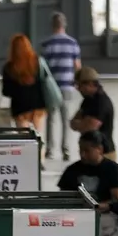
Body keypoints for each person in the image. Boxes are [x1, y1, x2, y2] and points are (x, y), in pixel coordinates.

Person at [36, 12, 81, 160]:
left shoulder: (47, 44)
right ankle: (66, 150)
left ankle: (49, 150)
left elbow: (42, 67)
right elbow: (77, 66)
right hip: (67, 86)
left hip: (51, 88)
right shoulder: (73, 43)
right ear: (64, 25)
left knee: (51, 119)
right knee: (65, 119)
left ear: (52, 25)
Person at [0, 32, 51, 131]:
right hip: (38, 107)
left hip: (20, 108)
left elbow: (6, 91)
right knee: (38, 139)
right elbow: (44, 80)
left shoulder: (9, 67)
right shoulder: (37, 62)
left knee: (25, 141)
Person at [56, 132, 118, 203]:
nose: (82, 154)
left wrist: (99, 207)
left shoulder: (114, 170)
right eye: (80, 150)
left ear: (100, 149)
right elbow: (63, 197)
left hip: (106, 213)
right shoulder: (72, 170)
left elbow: (117, 202)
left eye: (87, 151)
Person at [70, 67, 115, 157]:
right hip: (89, 153)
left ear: (90, 84)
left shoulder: (101, 102)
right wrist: (83, 123)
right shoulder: (87, 100)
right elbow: (72, 123)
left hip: (103, 154)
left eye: (79, 86)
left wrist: (80, 123)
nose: (78, 89)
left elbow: (90, 127)